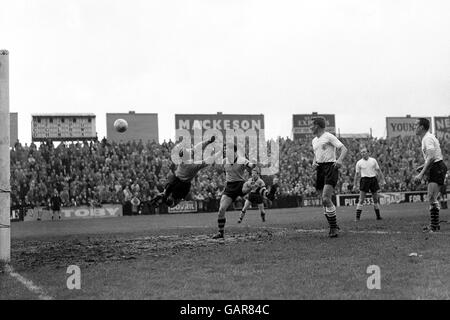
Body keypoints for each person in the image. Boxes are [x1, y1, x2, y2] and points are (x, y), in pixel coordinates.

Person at [150, 136, 219, 208]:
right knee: (174, 203)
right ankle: (167, 201)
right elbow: (208, 160)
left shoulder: (184, 161)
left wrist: (208, 141)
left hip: (175, 179)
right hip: (183, 185)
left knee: (166, 193)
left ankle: (163, 195)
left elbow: (198, 147)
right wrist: (218, 151)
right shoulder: (193, 166)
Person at [310, 117, 348, 238]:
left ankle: (333, 228)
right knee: (323, 200)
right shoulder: (314, 141)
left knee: (326, 198)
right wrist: (314, 162)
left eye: (312, 125)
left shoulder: (328, 136)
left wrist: (340, 160)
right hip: (320, 169)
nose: (310, 127)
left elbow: (344, 149)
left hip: (330, 167)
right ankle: (334, 225)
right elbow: (316, 155)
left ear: (317, 126)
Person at [212, 142, 256, 239]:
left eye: (226, 149)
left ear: (233, 151)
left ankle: (255, 188)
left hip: (240, 184)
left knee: (250, 184)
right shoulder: (224, 161)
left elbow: (250, 164)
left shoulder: (241, 159)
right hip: (230, 187)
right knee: (221, 210)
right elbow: (218, 168)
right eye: (224, 149)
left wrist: (253, 164)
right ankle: (220, 233)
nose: (224, 151)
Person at [413, 118, 448, 232]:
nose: (414, 127)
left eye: (416, 125)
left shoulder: (427, 138)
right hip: (436, 166)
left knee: (432, 197)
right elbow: (432, 156)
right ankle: (435, 225)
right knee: (432, 197)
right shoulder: (427, 137)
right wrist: (423, 166)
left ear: (421, 127)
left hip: (437, 167)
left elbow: (432, 157)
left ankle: (434, 226)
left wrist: (421, 174)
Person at [353, 147, 386, 221]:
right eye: (361, 152)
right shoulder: (359, 162)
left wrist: (383, 179)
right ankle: (357, 218)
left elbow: (379, 170)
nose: (363, 153)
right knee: (361, 199)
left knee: (375, 199)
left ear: (368, 152)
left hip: (373, 179)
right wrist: (354, 184)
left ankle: (378, 216)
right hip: (364, 180)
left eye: (364, 152)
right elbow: (356, 174)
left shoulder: (373, 160)